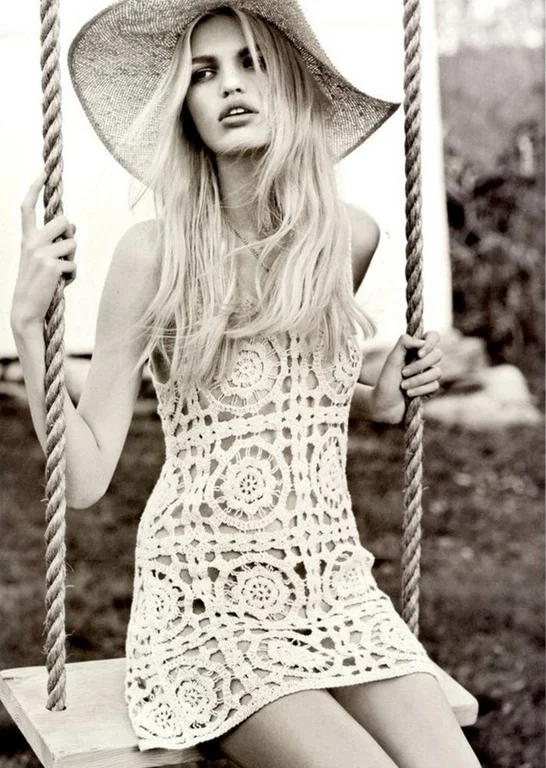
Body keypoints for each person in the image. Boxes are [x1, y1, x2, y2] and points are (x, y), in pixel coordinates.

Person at [11, 1, 480, 767]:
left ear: (289, 85)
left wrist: (380, 400)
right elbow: (87, 476)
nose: (229, 85)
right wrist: (28, 326)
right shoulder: (154, 255)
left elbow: (290, 404)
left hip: (334, 586)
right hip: (211, 599)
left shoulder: (346, 237)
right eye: (204, 73)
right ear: (186, 110)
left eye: (250, 63)